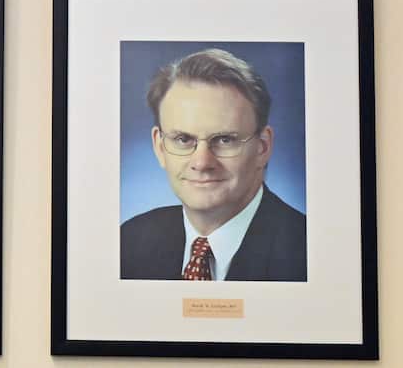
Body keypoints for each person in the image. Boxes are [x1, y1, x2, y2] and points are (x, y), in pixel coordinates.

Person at [120, 48, 306, 281]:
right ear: (159, 147)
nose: (202, 162)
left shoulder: (307, 255)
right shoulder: (128, 242)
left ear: (263, 147)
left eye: (225, 139)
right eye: (183, 139)